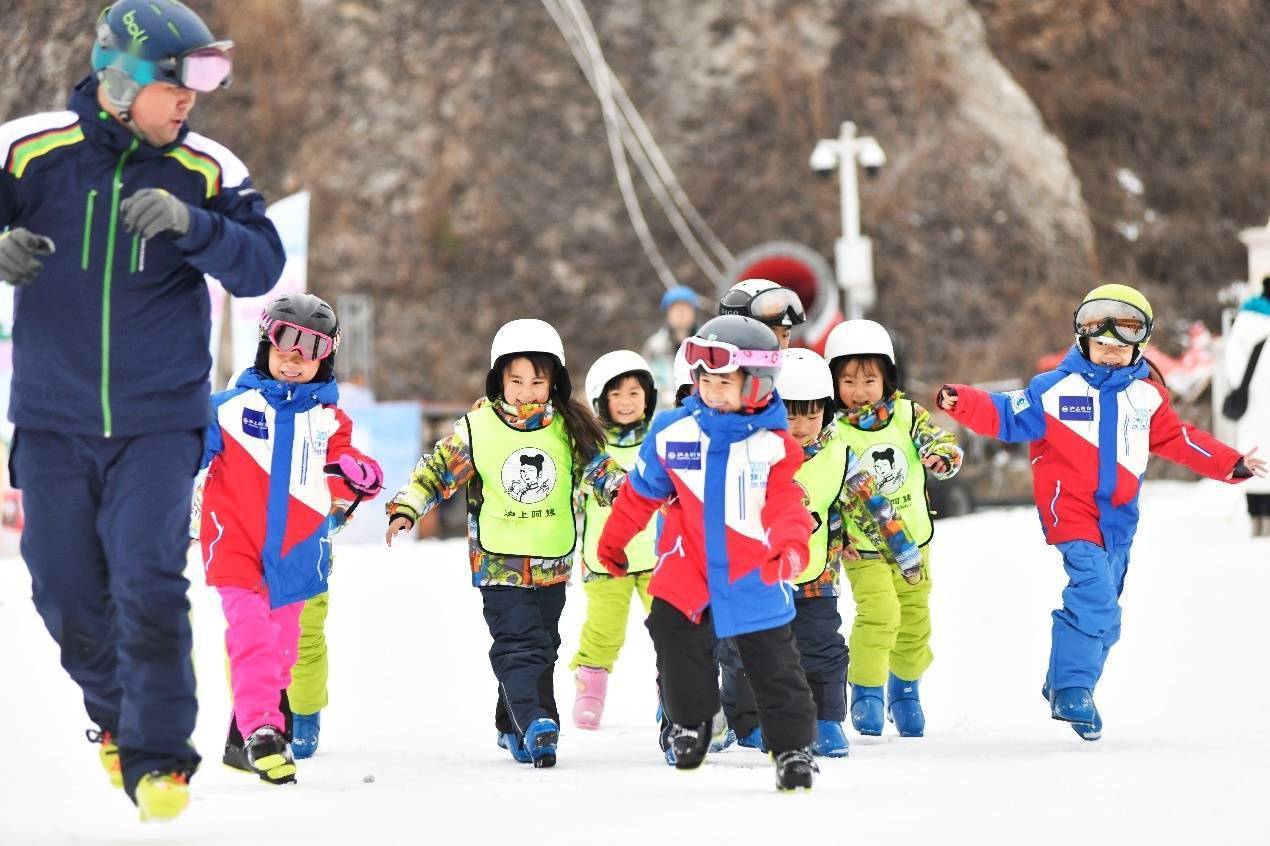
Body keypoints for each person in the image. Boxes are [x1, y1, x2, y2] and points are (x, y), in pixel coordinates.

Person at [0, 0, 284, 820]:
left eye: (203, 84)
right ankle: (118, 719)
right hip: (52, 421)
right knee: (62, 589)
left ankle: (161, 760)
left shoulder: (207, 169)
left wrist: (195, 227)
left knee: (148, 583)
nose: (192, 102)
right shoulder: (31, 150)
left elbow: (262, 266)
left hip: (160, 423)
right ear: (120, 82)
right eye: (177, 84)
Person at [938, 284, 1266, 740]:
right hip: (1069, 511)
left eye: (1121, 348)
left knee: (1106, 615)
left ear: (1140, 346)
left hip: (1118, 517)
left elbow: (1181, 439)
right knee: (1093, 593)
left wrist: (1230, 462)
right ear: (1083, 341)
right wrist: (962, 399)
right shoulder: (1055, 389)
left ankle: (1062, 680)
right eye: (1102, 346)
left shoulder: (1148, 396)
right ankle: (1074, 690)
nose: (1110, 354)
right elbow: (1005, 412)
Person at [384, 319, 625, 768]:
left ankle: (508, 724)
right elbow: (437, 471)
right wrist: (408, 507)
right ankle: (538, 722)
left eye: (538, 381)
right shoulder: (478, 428)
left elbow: (606, 475)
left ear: (555, 382)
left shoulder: (569, 430)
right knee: (518, 643)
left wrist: (640, 501)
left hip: (552, 559)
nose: (526, 391)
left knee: (544, 645)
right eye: (516, 381)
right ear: (499, 380)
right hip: (499, 562)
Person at [596, 315, 820, 791]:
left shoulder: (773, 447)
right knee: (673, 641)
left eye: (725, 382)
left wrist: (790, 545)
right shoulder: (673, 433)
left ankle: (793, 748)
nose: (712, 391)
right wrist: (614, 540)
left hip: (752, 570)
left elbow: (786, 506)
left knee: (774, 666)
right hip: (687, 567)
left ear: (757, 384)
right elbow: (639, 493)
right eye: (705, 380)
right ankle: (693, 722)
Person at [197, 294, 383, 785]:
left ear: (326, 358)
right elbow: (186, 447)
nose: (294, 357)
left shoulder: (328, 421)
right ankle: (263, 731)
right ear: (265, 345)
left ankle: (242, 741)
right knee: (252, 637)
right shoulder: (229, 408)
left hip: (298, 556)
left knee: (282, 654)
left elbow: (349, 473)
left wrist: (359, 474)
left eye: (310, 349)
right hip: (235, 548)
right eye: (284, 344)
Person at [826, 319, 962, 738]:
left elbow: (937, 442)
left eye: (869, 379)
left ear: (888, 378)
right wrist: (836, 537)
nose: (859, 389)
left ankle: (905, 689)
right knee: (880, 613)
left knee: (915, 619)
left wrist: (942, 457)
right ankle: (867, 689)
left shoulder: (907, 414)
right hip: (864, 546)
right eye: (848, 380)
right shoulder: (832, 430)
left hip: (914, 543)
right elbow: (825, 488)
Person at [569, 350, 659, 729]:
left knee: (673, 632)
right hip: (605, 562)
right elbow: (572, 503)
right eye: (616, 394)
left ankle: (674, 693)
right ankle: (590, 689)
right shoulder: (590, 448)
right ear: (600, 399)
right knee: (604, 630)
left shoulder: (662, 438)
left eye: (634, 393)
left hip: (659, 558)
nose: (625, 402)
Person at [1222, 275, 1270, 536]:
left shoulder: (1244, 321)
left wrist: (1242, 386)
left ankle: (1256, 518)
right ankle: (1267, 520)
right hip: (1264, 401)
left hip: (1252, 401)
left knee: (1254, 456)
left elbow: (1232, 362)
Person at [643, 285, 699, 407]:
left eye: (686, 307)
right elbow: (647, 380)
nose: (681, 313)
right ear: (668, 313)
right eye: (676, 308)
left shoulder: (707, 342)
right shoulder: (655, 346)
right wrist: (664, 395)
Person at [718, 277, 807, 350]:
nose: (780, 346)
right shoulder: (713, 368)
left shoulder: (792, 370)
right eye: (770, 334)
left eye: (785, 335)